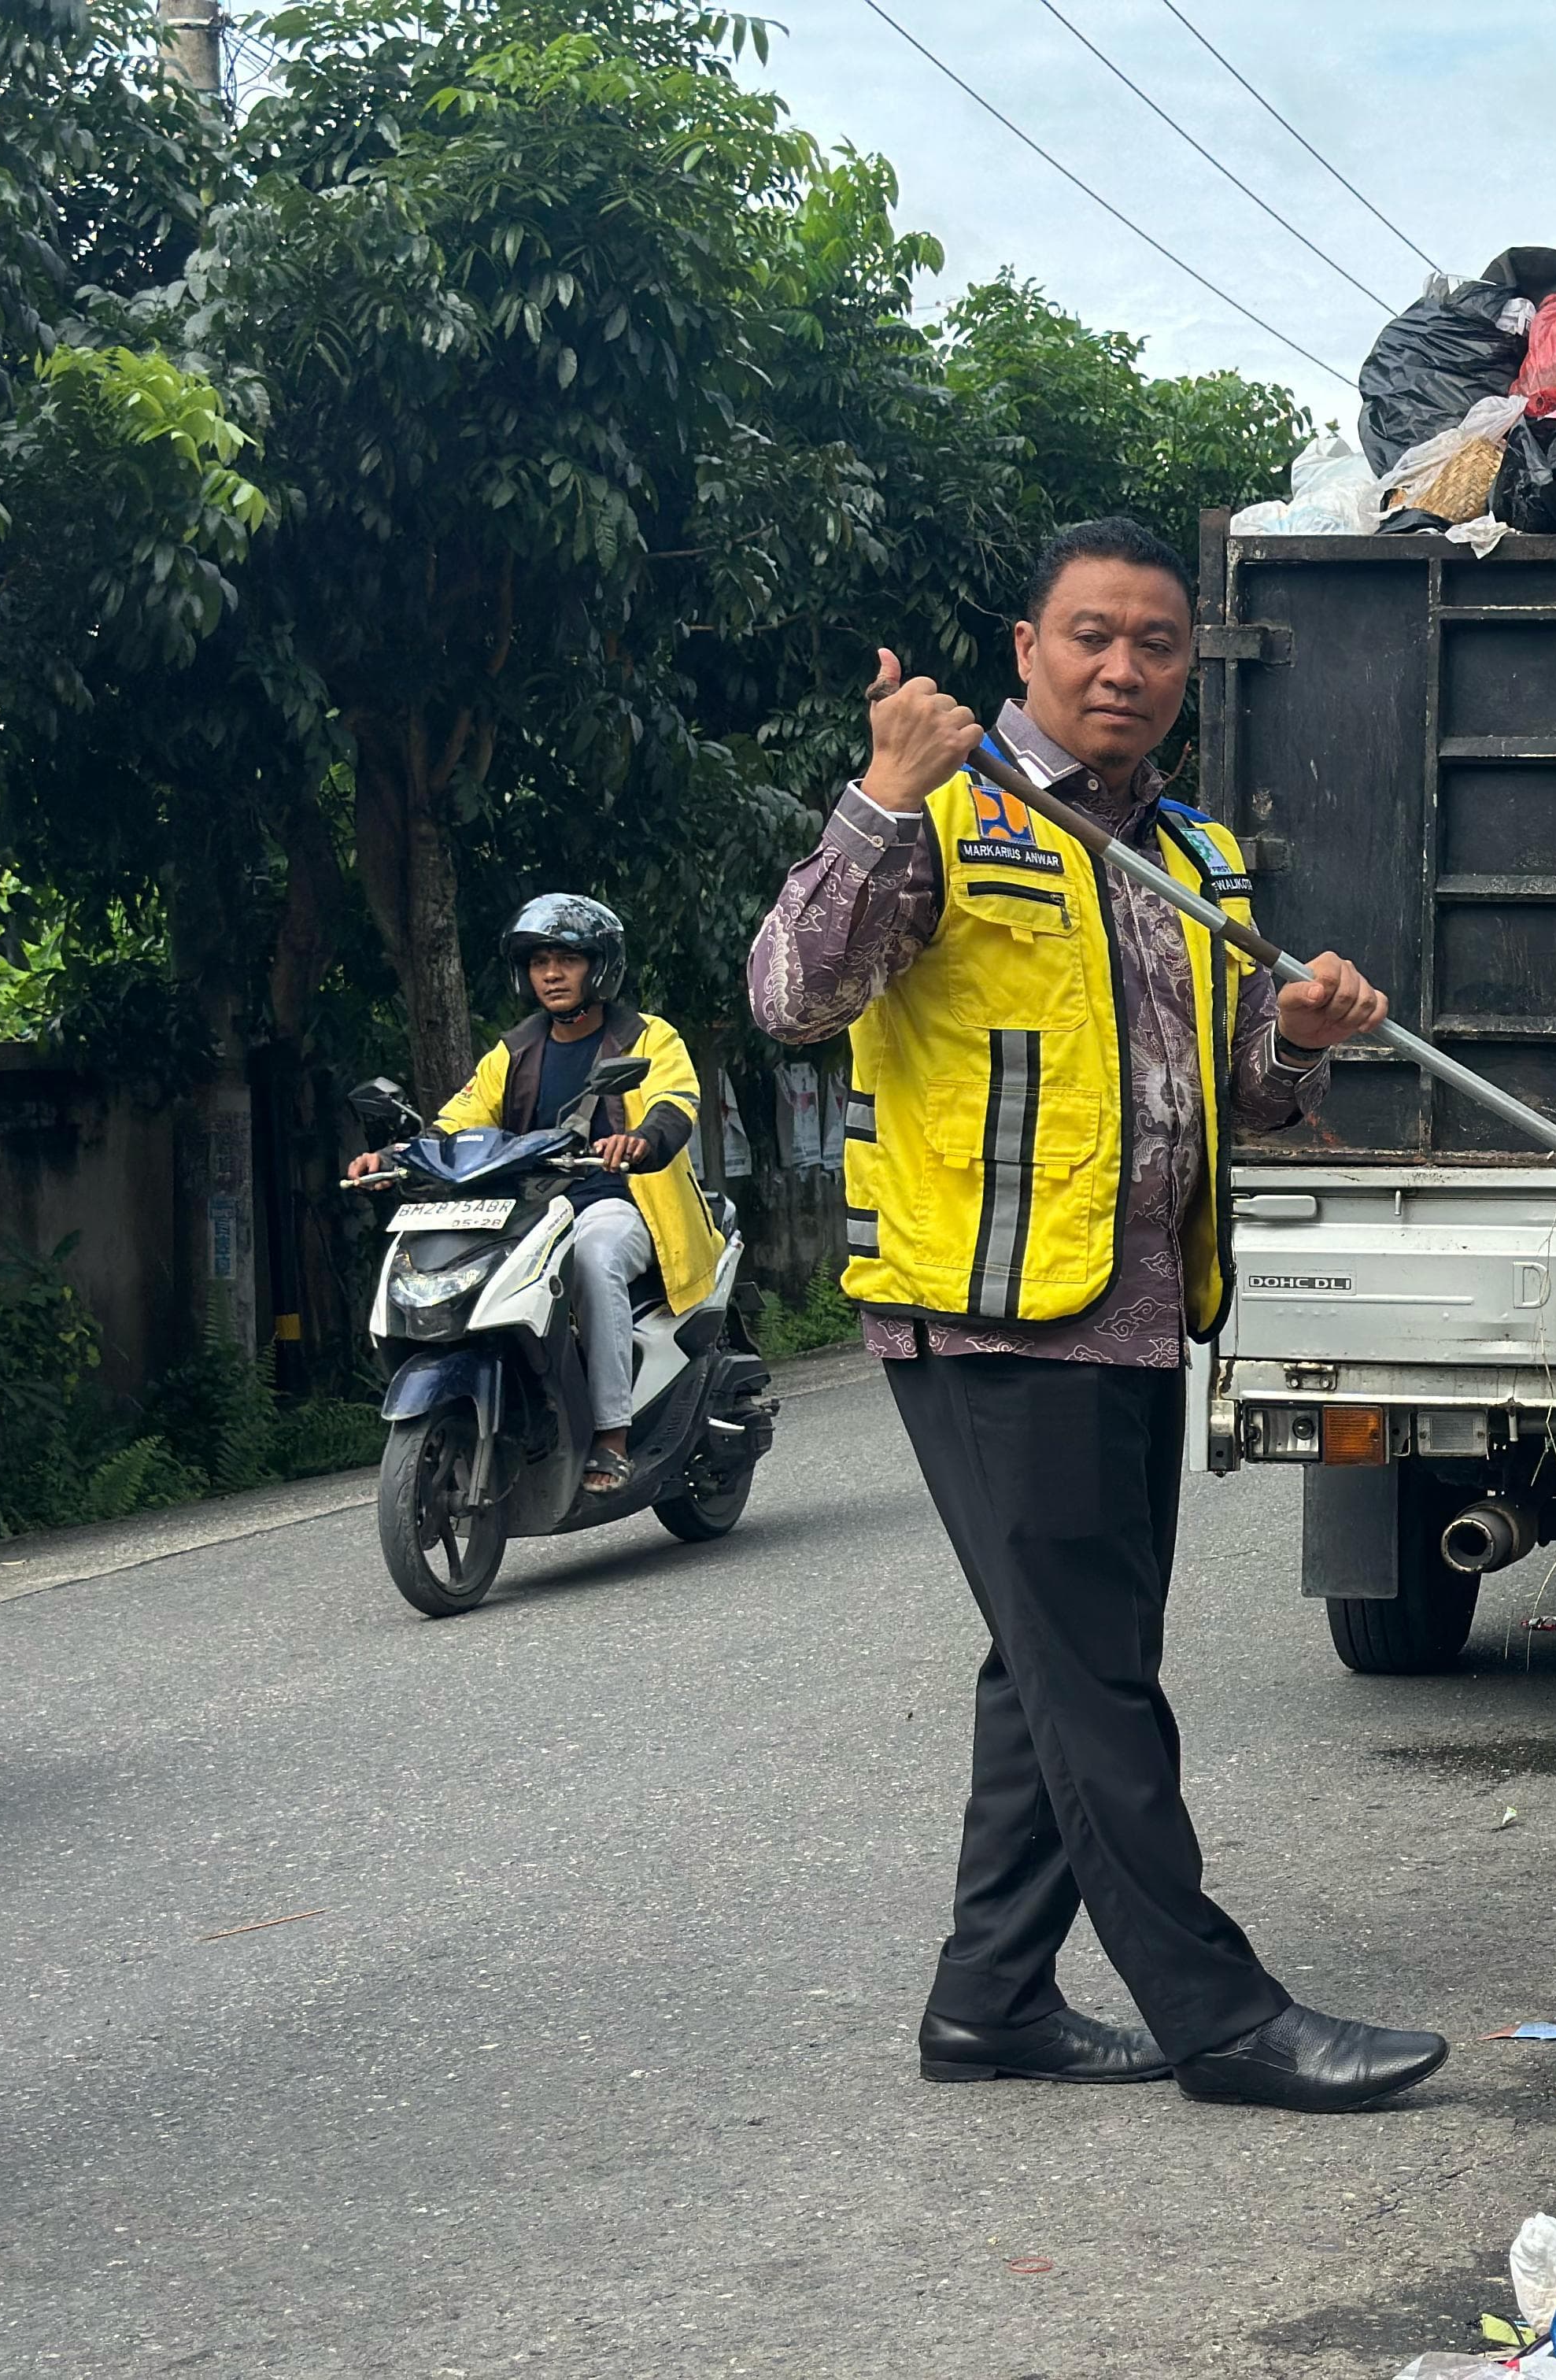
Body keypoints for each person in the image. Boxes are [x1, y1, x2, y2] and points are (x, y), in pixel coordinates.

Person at [745, 516, 1443, 2114]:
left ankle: (990, 1998)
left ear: (1190, 668)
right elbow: (791, 994)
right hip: (988, 1313)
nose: (1124, 667)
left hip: (1136, 1310)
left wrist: (1303, 1033)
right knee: (1096, 1685)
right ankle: (1220, 2017)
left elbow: (1237, 1093)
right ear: (1026, 649)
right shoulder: (944, 812)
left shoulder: (1192, 856)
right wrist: (881, 796)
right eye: (1091, 635)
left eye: (1157, 643)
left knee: (1059, 1662)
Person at [353, 894, 722, 1495]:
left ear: (599, 967)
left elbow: (674, 1101)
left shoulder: (648, 1037)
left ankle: (611, 1434)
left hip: (620, 1201)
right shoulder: (515, 1050)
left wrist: (642, 1139)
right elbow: (458, 1121)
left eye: (567, 960)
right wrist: (396, 1157)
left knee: (593, 1259)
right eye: (539, 962)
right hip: (532, 1212)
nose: (551, 974)